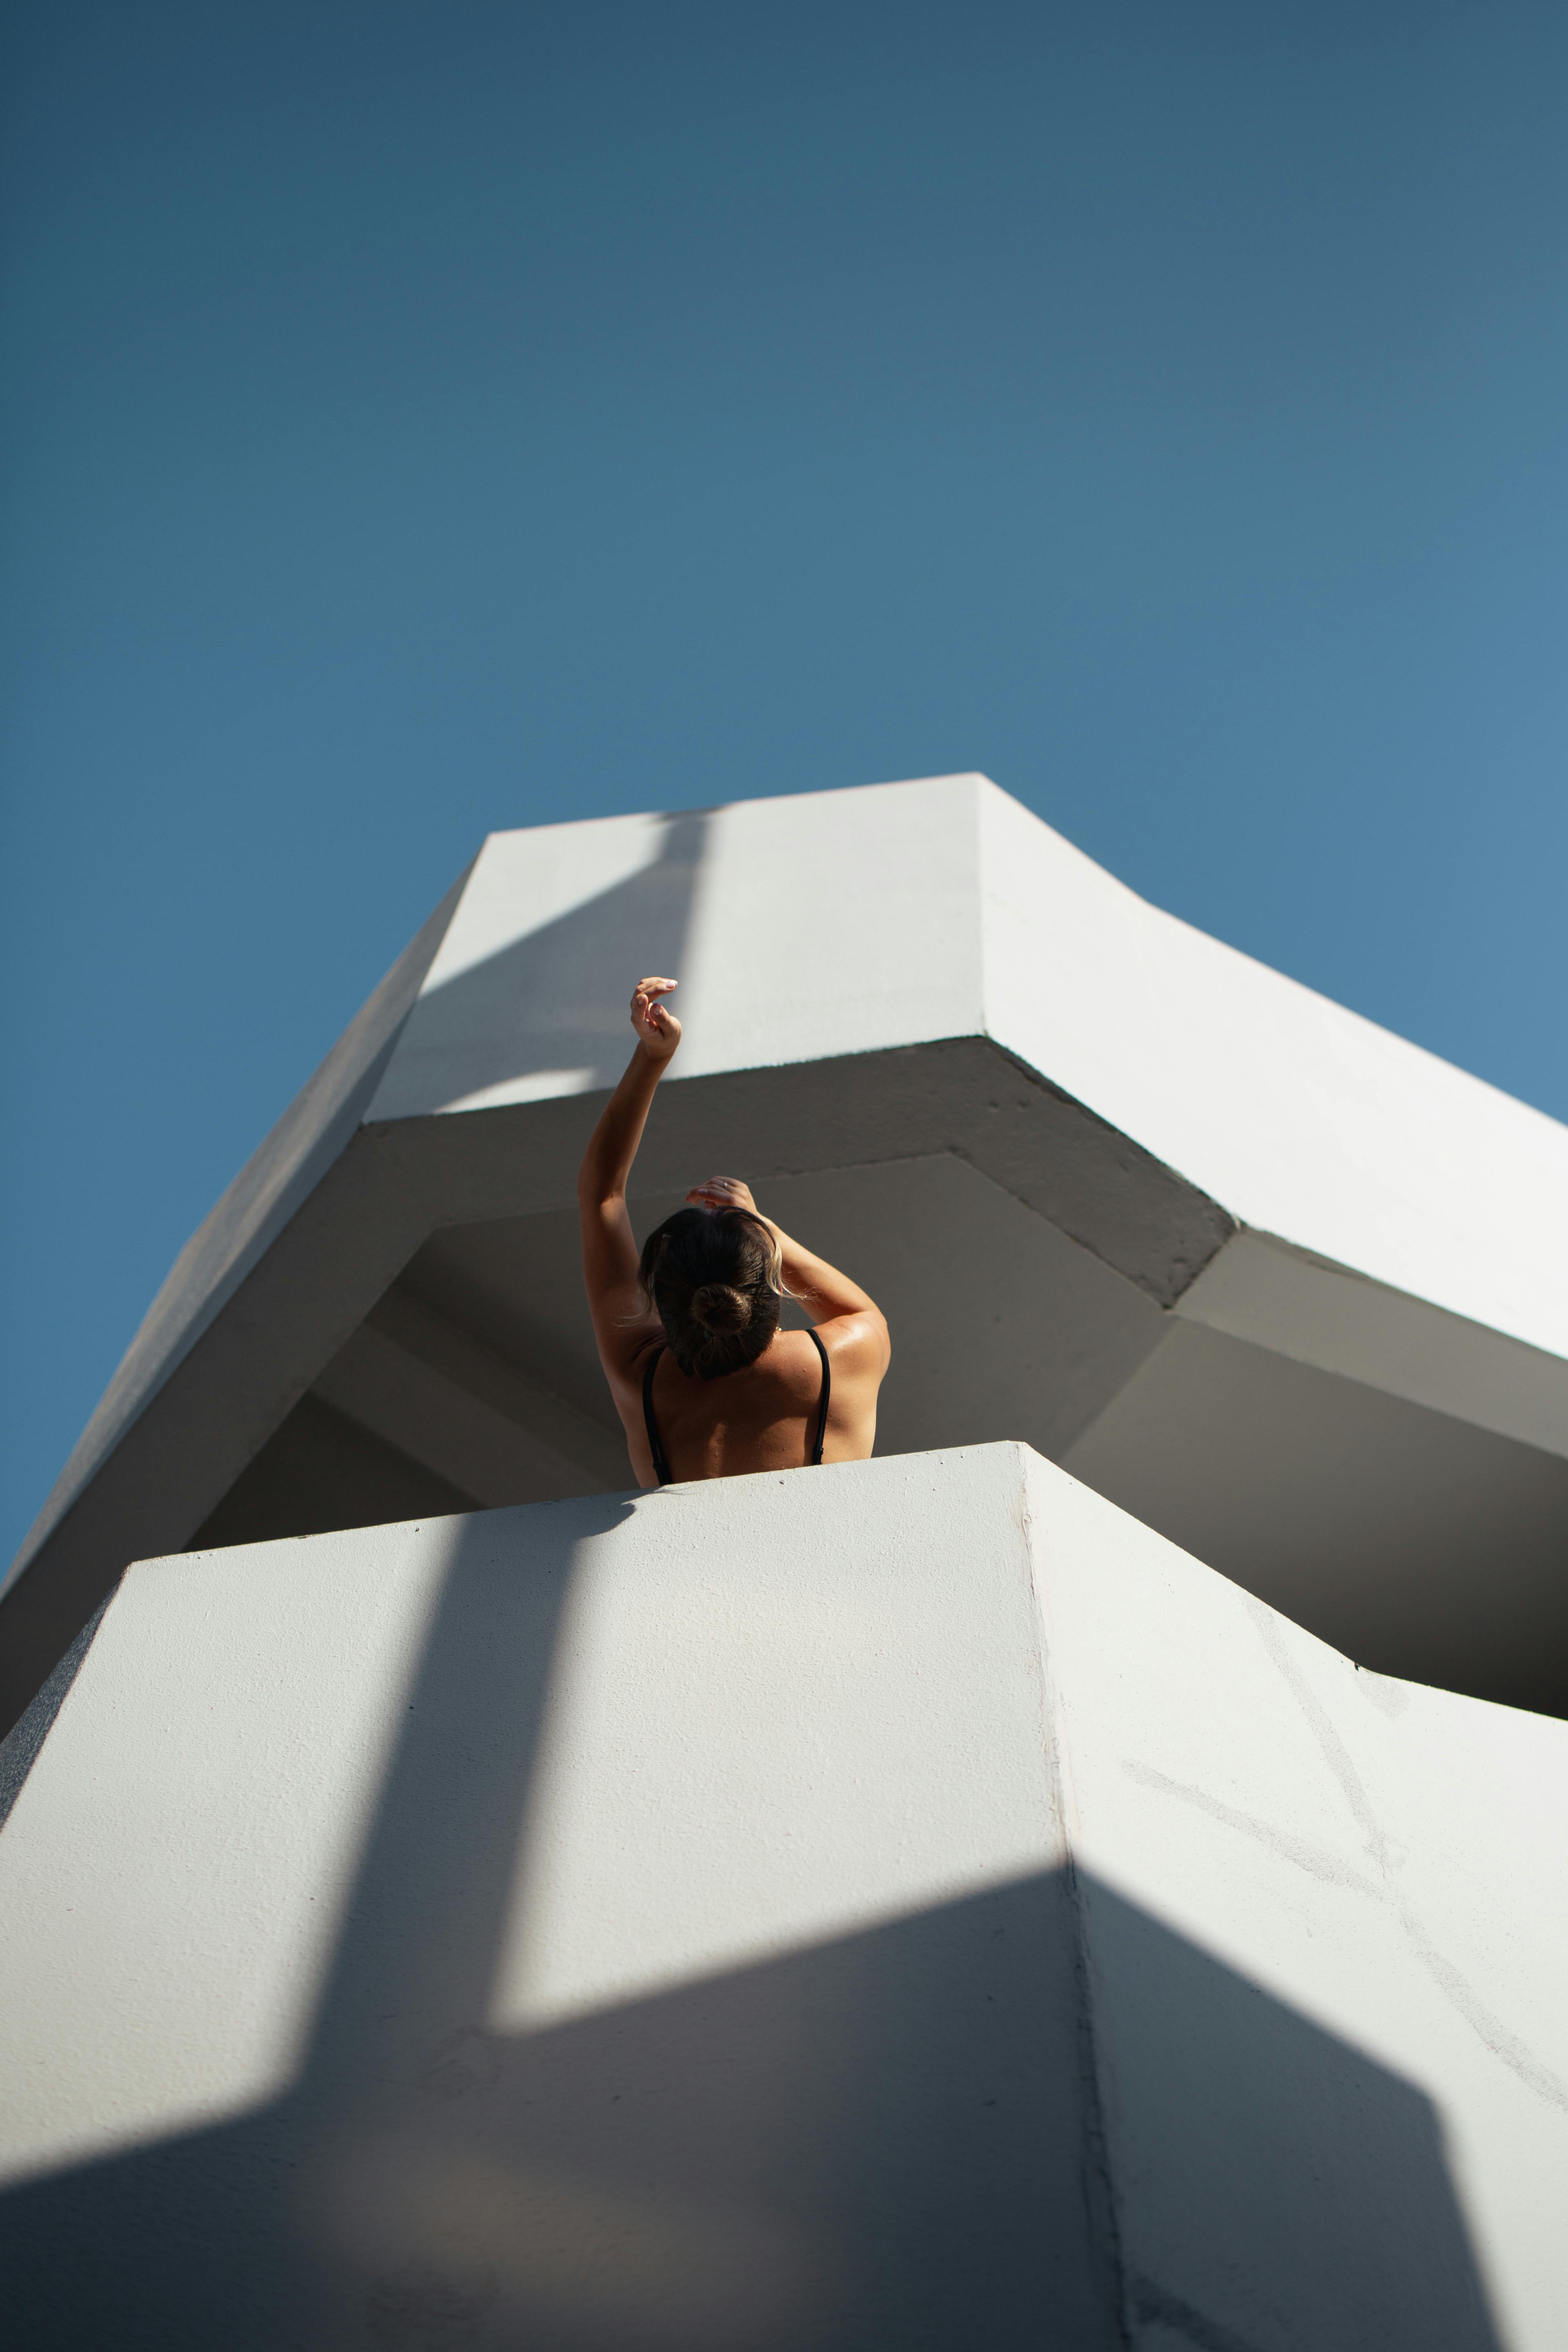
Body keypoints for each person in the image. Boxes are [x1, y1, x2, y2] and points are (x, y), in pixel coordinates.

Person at [578, 977, 891, 1488]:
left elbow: (601, 1198)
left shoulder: (642, 1378)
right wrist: (767, 1229)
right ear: (767, 1283)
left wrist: (654, 1055)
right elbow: (861, 1313)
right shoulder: (834, 1362)